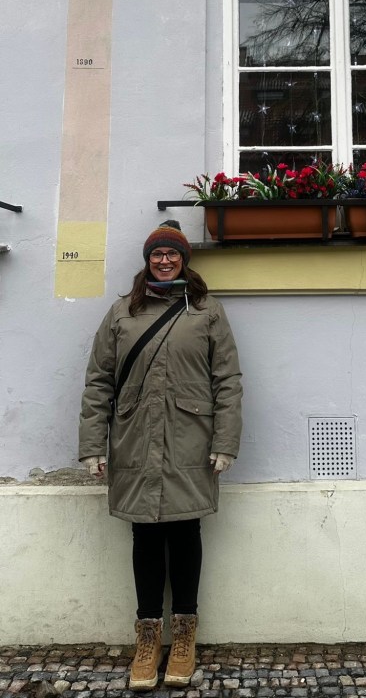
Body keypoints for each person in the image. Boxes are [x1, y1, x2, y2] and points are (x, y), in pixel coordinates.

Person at [78, 220, 242, 691]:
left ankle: (185, 636)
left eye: (172, 254)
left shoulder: (207, 311)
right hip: (134, 438)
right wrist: (92, 446)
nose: (164, 261)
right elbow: (98, 382)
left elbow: (227, 381)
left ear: (183, 260)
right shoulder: (122, 312)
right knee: (145, 535)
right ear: (147, 260)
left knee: (186, 532)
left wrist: (225, 442)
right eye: (157, 254)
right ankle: (148, 638)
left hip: (191, 440)